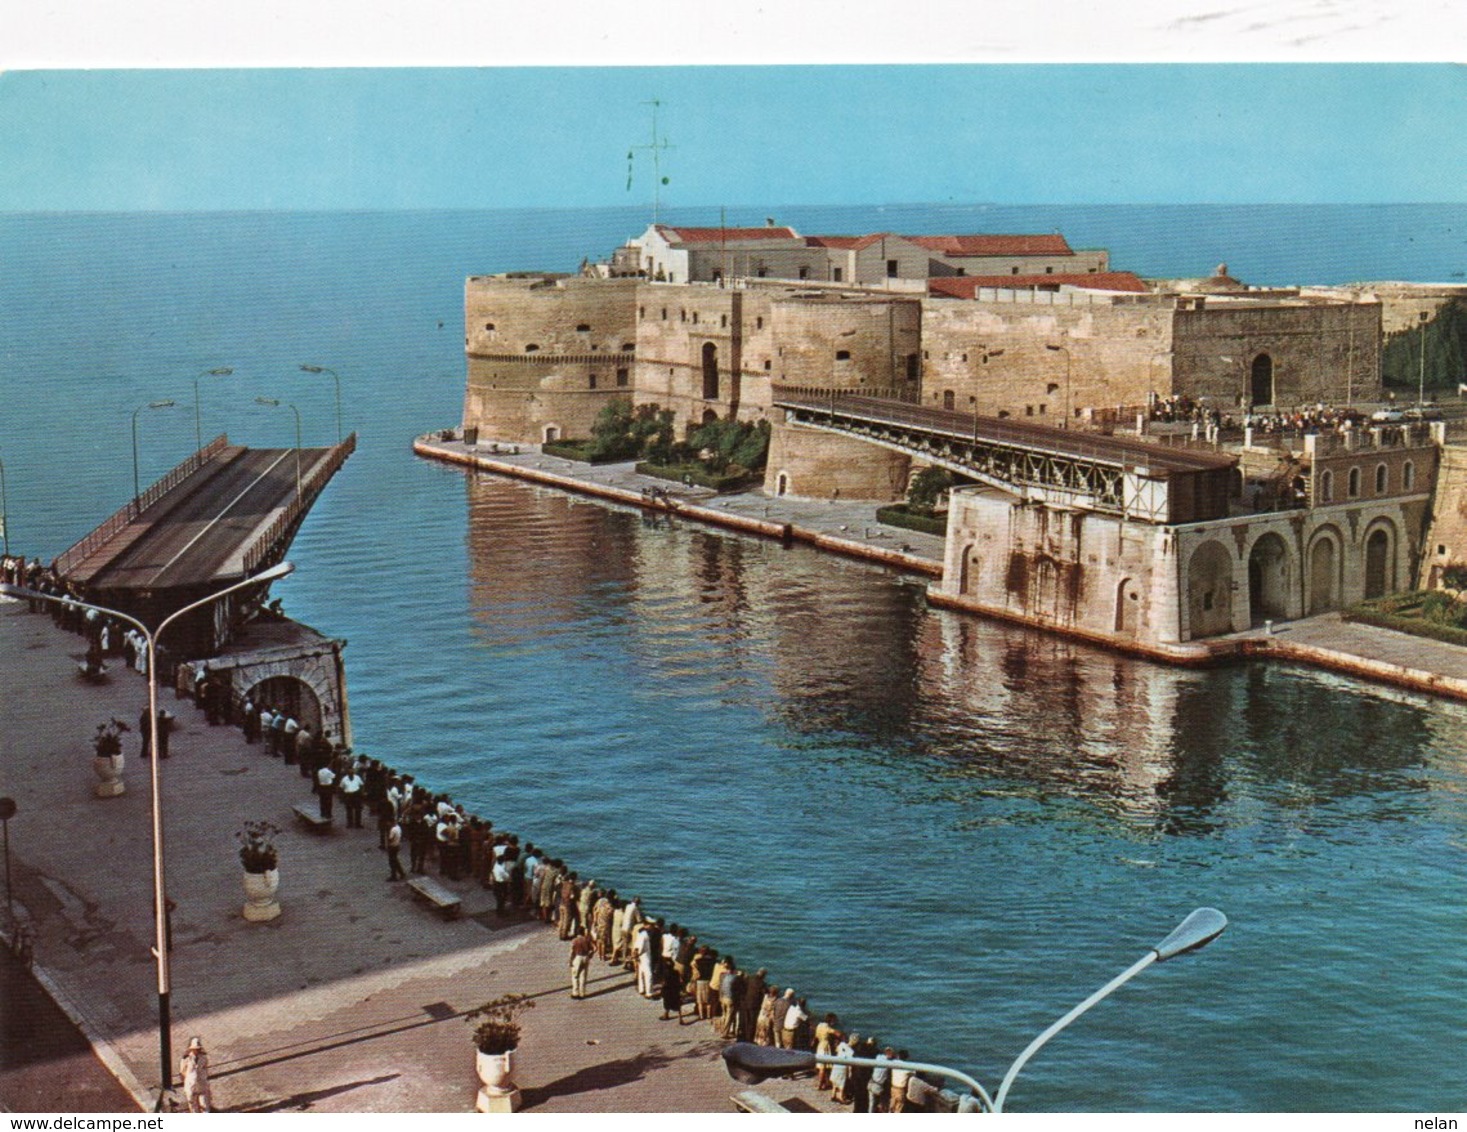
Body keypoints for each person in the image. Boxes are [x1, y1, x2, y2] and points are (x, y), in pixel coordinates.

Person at [179, 1036, 213, 1113]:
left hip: (202, 1083)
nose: (197, 1050)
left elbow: (205, 1068)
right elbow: (182, 1072)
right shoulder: (186, 1059)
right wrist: (187, 1081)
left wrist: (205, 1079)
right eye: (196, 1049)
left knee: (205, 1105)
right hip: (191, 1084)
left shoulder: (204, 1058)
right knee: (193, 1105)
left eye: (198, 1049)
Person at [814, 1013, 841, 1091]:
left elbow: (816, 1036)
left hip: (819, 1045)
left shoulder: (819, 1025)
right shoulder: (827, 1027)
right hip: (825, 1046)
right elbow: (837, 1033)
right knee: (823, 1067)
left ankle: (825, 1082)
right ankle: (820, 1084)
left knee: (822, 1066)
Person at [831, 1032, 856, 1104]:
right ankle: (841, 1097)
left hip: (836, 1064)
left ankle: (833, 1094)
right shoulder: (851, 1051)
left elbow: (836, 1050)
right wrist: (850, 1073)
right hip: (842, 1067)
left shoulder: (842, 1044)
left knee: (835, 1079)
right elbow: (849, 1064)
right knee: (842, 1082)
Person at [660, 952, 685, 1022]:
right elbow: (680, 980)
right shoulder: (676, 972)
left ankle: (666, 1014)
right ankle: (680, 1018)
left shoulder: (665, 973)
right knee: (677, 1004)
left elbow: (664, 983)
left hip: (668, 990)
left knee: (667, 1003)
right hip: (675, 989)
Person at [569, 928, 593, 999]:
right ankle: (582, 993)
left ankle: (575, 993)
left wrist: (570, 960)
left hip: (578, 957)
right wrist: (590, 955)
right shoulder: (587, 940)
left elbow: (571, 952)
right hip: (585, 957)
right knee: (583, 976)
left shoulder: (575, 940)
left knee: (575, 976)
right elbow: (594, 948)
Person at [385, 817, 405, 881]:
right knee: (395, 860)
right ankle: (401, 873)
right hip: (397, 845)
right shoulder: (398, 827)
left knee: (392, 862)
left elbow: (390, 839)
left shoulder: (393, 830)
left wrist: (388, 845)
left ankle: (394, 875)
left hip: (392, 846)